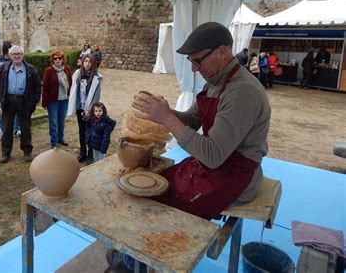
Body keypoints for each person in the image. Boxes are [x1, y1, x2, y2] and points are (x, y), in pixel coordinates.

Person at [108, 22, 271, 271]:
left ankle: (135, 262)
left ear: (222, 52)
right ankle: (138, 255)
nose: (194, 69)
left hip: (235, 174)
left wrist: (167, 119)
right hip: (216, 165)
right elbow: (193, 120)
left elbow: (214, 155)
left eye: (198, 61)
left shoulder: (242, 92)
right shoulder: (216, 81)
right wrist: (162, 112)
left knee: (156, 199)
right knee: (159, 179)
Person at [0, 45, 41, 163]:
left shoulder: (31, 69)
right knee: (7, 127)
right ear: (10, 56)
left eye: (19, 53)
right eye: (14, 54)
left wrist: (34, 99)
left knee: (25, 127)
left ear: (23, 55)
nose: (17, 56)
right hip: (8, 100)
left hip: (24, 101)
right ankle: (6, 153)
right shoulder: (3, 68)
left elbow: (37, 87)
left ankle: (27, 151)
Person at [67, 54, 102, 164]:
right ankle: (83, 152)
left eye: (90, 62)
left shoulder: (97, 77)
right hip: (79, 107)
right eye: (85, 61)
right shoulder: (77, 74)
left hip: (90, 109)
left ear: (93, 64)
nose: (87, 63)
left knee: (90, 131)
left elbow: (96, 96)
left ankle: (90, 154)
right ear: (82, 62)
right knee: (82, 131)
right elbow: (73, 90)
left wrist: (90, 110)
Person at [41, 50, 72, 148]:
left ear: (63, 59)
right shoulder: (49, 71)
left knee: (61, 121)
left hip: (64, 100)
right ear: (52, 60)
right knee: (53, 122)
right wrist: (44, 102)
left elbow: (71, 83)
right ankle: (54, 142)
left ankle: (60, 138)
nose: (57, 60)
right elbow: (45, 87)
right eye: (55, 58)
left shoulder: (67, 69)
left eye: (60, 58)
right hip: (53, 101)